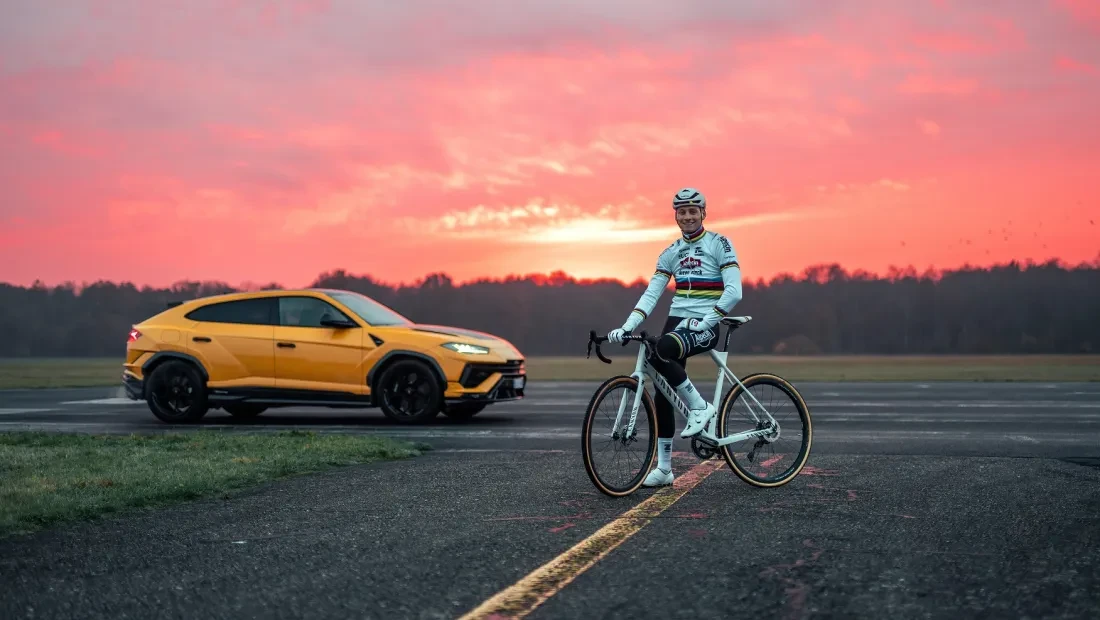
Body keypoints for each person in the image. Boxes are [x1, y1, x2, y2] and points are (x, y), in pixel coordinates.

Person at [607, 187, 743, 487]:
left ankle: (699, 407)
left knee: (662, 350)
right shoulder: (670, 252)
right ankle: (665, 468)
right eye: (682, 212)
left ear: (703, 213)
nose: (687, 216)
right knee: (662, 388)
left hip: (705, 321)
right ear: (676, 216)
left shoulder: (719, 243)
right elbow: (652, 293)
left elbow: (735, 290)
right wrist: (627, 325)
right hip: (677, 319)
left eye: (693, 211)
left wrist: (708, 320)